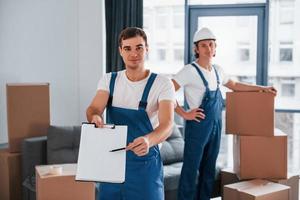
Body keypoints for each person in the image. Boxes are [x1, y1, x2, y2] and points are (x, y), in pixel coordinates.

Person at [172, 27, 277, 200]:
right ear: (196, 49)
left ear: (215, 48)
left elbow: (235, 85)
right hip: (197, 128)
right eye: (203, 45)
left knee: (209, 168)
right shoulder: (189, 71)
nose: (208, 49)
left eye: (211, 45)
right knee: (191, 170)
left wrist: (262, 88)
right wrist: (183, 113)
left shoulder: (218, 70)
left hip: (215, 126)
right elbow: (167, 91)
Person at [86, 27, 176, 200]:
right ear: (120, 51)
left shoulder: (163, 84)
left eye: (139, 47)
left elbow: (167, 124)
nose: (134, 53)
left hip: (145, 163)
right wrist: (95, 117)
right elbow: (94, 109)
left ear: (147, 49)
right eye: (127, 48)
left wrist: (148, 140)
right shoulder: (109, 80)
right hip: (112, 162)